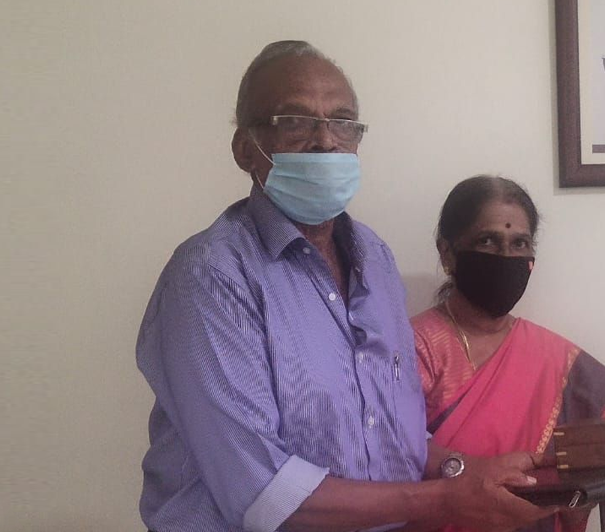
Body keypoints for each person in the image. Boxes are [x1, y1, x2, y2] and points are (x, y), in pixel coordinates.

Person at [135, 41, 554, 532]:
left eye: (342, 122)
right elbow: (265, 497)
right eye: (295, 121)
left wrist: (471, 472)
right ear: (246, 149)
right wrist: (448, 500)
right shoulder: (211, 277)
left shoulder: (374, 259)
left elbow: (393, 438)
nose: (325, 141)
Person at [413, 175, 605, 532]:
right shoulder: (416, 345)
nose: (506, 257)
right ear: (447, 252)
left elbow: (600, 448)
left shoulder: (555, 357)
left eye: (519, 243)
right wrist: (467, 470)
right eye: (487, 241)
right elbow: (389, 451)